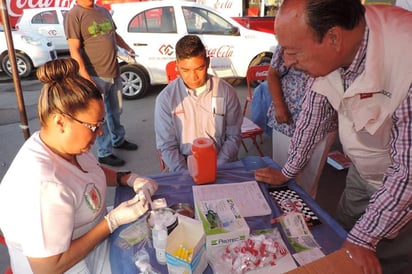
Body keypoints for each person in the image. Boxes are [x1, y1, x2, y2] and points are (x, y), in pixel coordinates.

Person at [254, 1, 412, 273]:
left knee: (383, 260)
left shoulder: (405, 58)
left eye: (292, 52)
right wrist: (288, 170)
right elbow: (312, 117)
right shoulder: (336, 50)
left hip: (402, 194)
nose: (287, 63)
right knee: (340, 237)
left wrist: (363, 240)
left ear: (334, 38)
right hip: (362, 173)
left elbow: (407, 175)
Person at [0, 58, 158, 273]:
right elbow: (46, 268)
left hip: (94, 243)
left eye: (101, 124)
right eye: (93, 126)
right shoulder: (43, 185)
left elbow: (87, 171)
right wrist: (111, 222)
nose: (101, 133)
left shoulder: (63, 145)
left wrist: (127, 178)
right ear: (60, 122)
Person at [64, 0, 138, 167]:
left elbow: (114, 35)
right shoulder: (74, 15)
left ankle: (118, 139)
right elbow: (74, 49)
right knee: (99, 116)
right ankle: (105, 152)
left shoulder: (103, 11)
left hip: (114, 70)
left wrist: (128, 49)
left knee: (116, 110)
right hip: (94, 75)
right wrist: (86, 78)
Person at [154, 34, 242, 172]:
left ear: (207, 62)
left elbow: (233, 136)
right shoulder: (165, 99)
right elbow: (167, 146)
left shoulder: (227, 92)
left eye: (199, 68)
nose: (193, 77)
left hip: (221, 163)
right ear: (177, 65)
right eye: (185, 70)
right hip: (182, 166)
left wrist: (216, 167)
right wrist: (185, 173)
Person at [265, 44, 337, 198]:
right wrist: (279, 105)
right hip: (287, 122)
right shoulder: (287, 40)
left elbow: (312, 121)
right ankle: (284, 214)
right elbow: (272, 74)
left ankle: (303, 216)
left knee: (307, 183)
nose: (290, 62)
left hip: (322, 127)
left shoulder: (330, 54)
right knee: (281, 179)